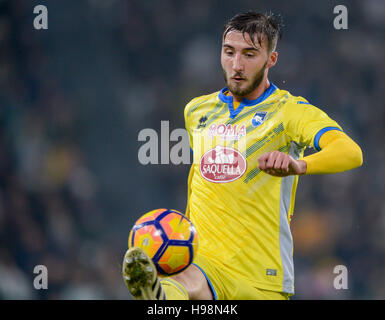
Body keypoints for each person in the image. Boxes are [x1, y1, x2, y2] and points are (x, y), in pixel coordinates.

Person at [122, 11, 363, 300]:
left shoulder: (289, 111)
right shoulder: (197, 110)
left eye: (249, 54)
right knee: (184, 284)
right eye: (229, 52)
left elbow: (350, 152)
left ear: (271, 59)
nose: (237, 65)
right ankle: (160, 296)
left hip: (262, 276)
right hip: (205, 261)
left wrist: (299, 164)